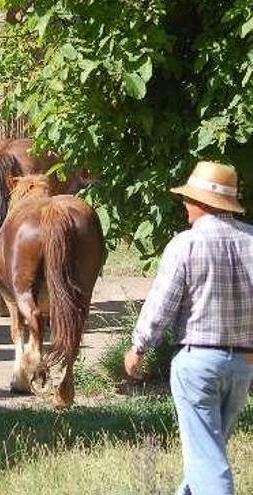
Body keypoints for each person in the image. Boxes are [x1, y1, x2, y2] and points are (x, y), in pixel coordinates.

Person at [124, 161, 253, 495]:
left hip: (197, 363)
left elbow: (161, 304)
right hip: (243, 366)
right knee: (207, 454)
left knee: (208, 463)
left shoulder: (186, 245)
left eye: (189, 198)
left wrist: (139, 346)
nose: (184, 204)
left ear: (203, 203)